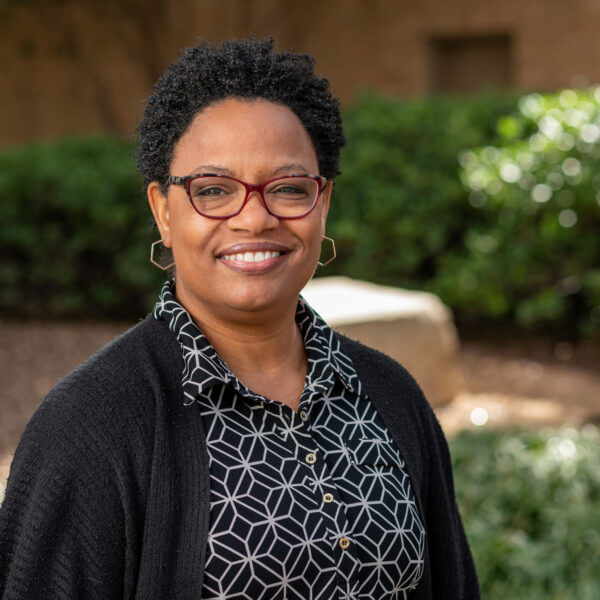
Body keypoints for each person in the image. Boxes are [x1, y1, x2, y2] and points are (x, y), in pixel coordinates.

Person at [0, 38, 479, 599]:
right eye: (213, 190)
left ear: (323, 204)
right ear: (163, 211)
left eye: (289, 188)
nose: (254, 219)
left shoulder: (390, 395)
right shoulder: (91, 426)